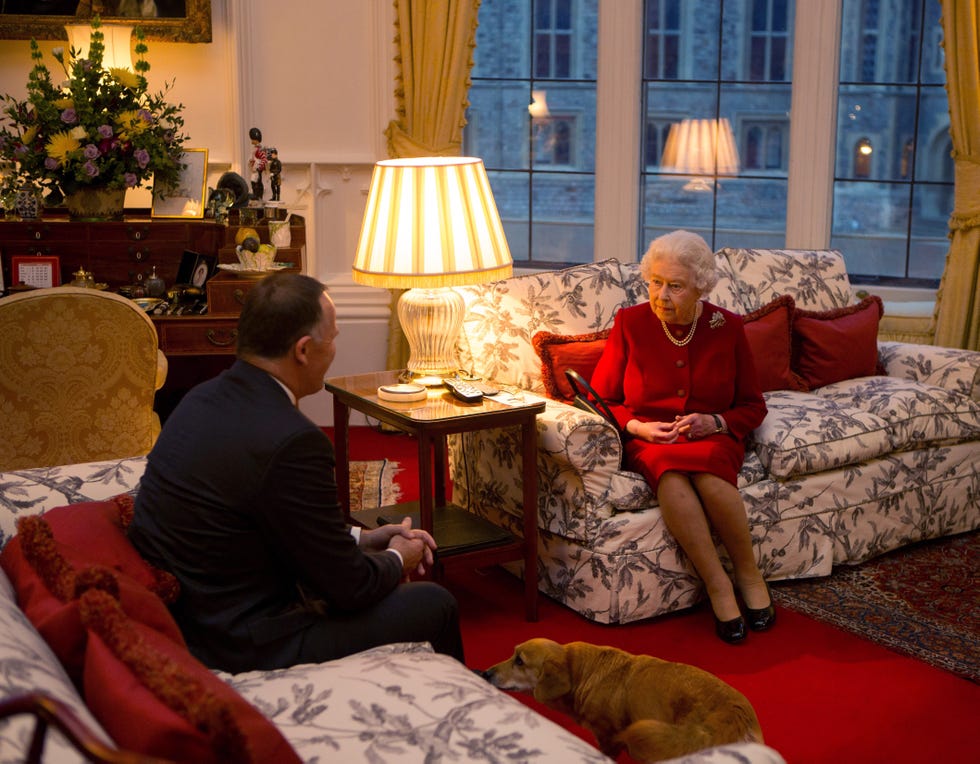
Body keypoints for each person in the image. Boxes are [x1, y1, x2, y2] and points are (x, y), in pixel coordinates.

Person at [128, 273, 464, 672]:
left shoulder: (199, 398)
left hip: (193, 615)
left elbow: (265, 517)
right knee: (435, 603)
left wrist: (362, 538)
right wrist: (397, 557)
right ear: (303, 350)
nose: (336, 348)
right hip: (242, 641)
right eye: (334, 338)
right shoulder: (295, 442)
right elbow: (349, 589)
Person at [590, 230, 775, 644]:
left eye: (675, 286)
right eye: (655, 282)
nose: (661, 295)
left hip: (712, 438)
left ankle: (748, 573)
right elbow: (601, 399)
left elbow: (752, 404)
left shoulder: (725, 326)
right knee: (671, 475)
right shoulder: (631, 323)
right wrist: (636, 427)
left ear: (701, 287)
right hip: (651, 439)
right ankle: (718, 586)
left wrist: (717, 423)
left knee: (710, 477)